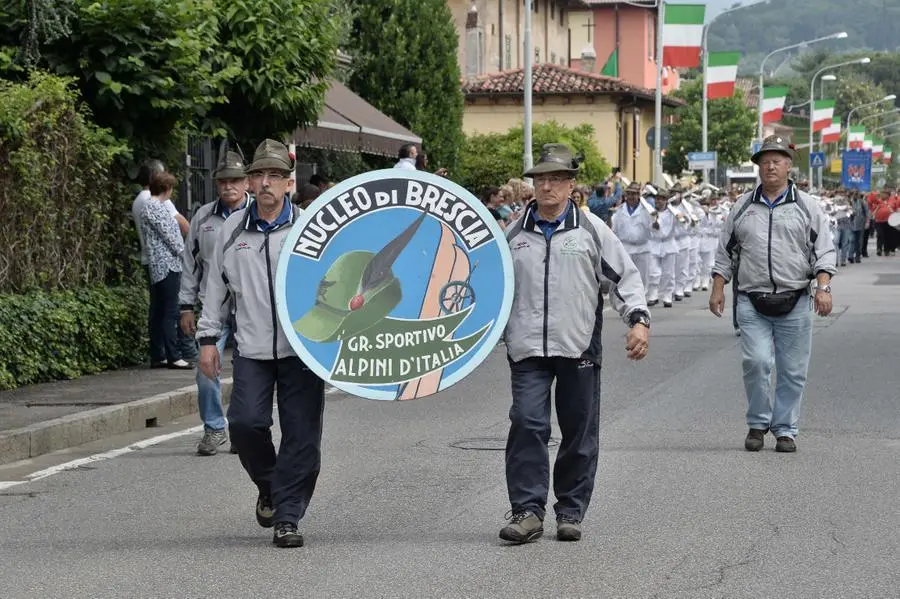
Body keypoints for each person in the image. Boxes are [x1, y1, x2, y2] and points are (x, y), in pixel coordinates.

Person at [499, 143, 650, 544]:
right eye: (540, 179)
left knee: (578, 430)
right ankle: (527, 510)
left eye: (555, 179)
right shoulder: (511, 233)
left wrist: (638, 320)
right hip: (526, 349)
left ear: (570, 185)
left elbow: (624, 279)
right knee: (528, 423)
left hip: (578, 346)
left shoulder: (592, 231)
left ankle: (570, 509)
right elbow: (487, 286)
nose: (546, 186)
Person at [197, 139, 325, 548]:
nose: (266, 183)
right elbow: (213, 287)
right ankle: (271, 486)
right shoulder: (232, 230)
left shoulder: (311, 227)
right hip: (251, 348)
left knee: (301, 437)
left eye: (275, 176)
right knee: (246, 425)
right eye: (259, 176)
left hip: (304, 348)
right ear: (249, 183)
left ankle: (288, 517)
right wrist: (207, 339)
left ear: (289, 184)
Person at [709, 135, 835, 453]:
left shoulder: (807, 206)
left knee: (792, 370)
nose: (771, 166)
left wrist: (823, 288)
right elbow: (725, 250)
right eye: (765, 160)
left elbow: (824, 251)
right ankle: (757, 423)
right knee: (756, 361)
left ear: (789, 165)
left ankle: (785, 429)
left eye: (777, 160)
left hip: (796, 300)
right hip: (752, 299)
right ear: (758, 167)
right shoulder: (743, 207)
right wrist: (718, 287)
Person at [179, 151, 250, 456]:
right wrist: (185, 305)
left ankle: (243, 429)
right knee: (206, 368)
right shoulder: (203, 218)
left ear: (246, 182)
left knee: (250, 373)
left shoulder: (258, 214)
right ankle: (214, 428)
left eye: (234, 180)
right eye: (223, 181)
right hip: (213, 308)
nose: (228, 186)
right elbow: (190, 263)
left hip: (251, 307)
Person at [132, 160, 190, 367]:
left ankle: (159, 355)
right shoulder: (156, 207)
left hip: (157, 263)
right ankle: (174, 356)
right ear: (167, 188)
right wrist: (187, 254)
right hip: (167, 264)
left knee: (158, 309)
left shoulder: (146, 205)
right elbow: (171, 236)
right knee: (170, 310)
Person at [611, 182, 653, 295]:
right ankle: (628, 298)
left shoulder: (647, 210)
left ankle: (642, 297)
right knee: (626, 275)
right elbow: (614, 229)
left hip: (642, 248)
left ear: (638, 195)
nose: (631, 197)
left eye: (634, 194)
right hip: (626, 247)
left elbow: (653, 227)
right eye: (629, 194)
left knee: (642, 275)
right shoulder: (620, 210)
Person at [647, 189, 677, 307]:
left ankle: (667, 295)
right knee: (653, 271)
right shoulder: (651, 212)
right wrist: (653, 226)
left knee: (668, 273)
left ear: (666, 201)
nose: (658, 201)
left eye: (662, 199)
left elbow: (683, 224)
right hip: (654, 244)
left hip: (668, 244)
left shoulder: (672, 213)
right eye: (657, 198)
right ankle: (653, 295)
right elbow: (646, 226)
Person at [848, 192, 870, 264]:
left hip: (860, 224)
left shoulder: (862, 202)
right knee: (852, 240)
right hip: (851, 224)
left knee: (859, 241)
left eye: (856, 194)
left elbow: (867, 213)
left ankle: (857, 256)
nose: (855, 196)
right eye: (853, 194)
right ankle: (850, 256)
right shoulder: (849, 202)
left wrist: (867, 222)